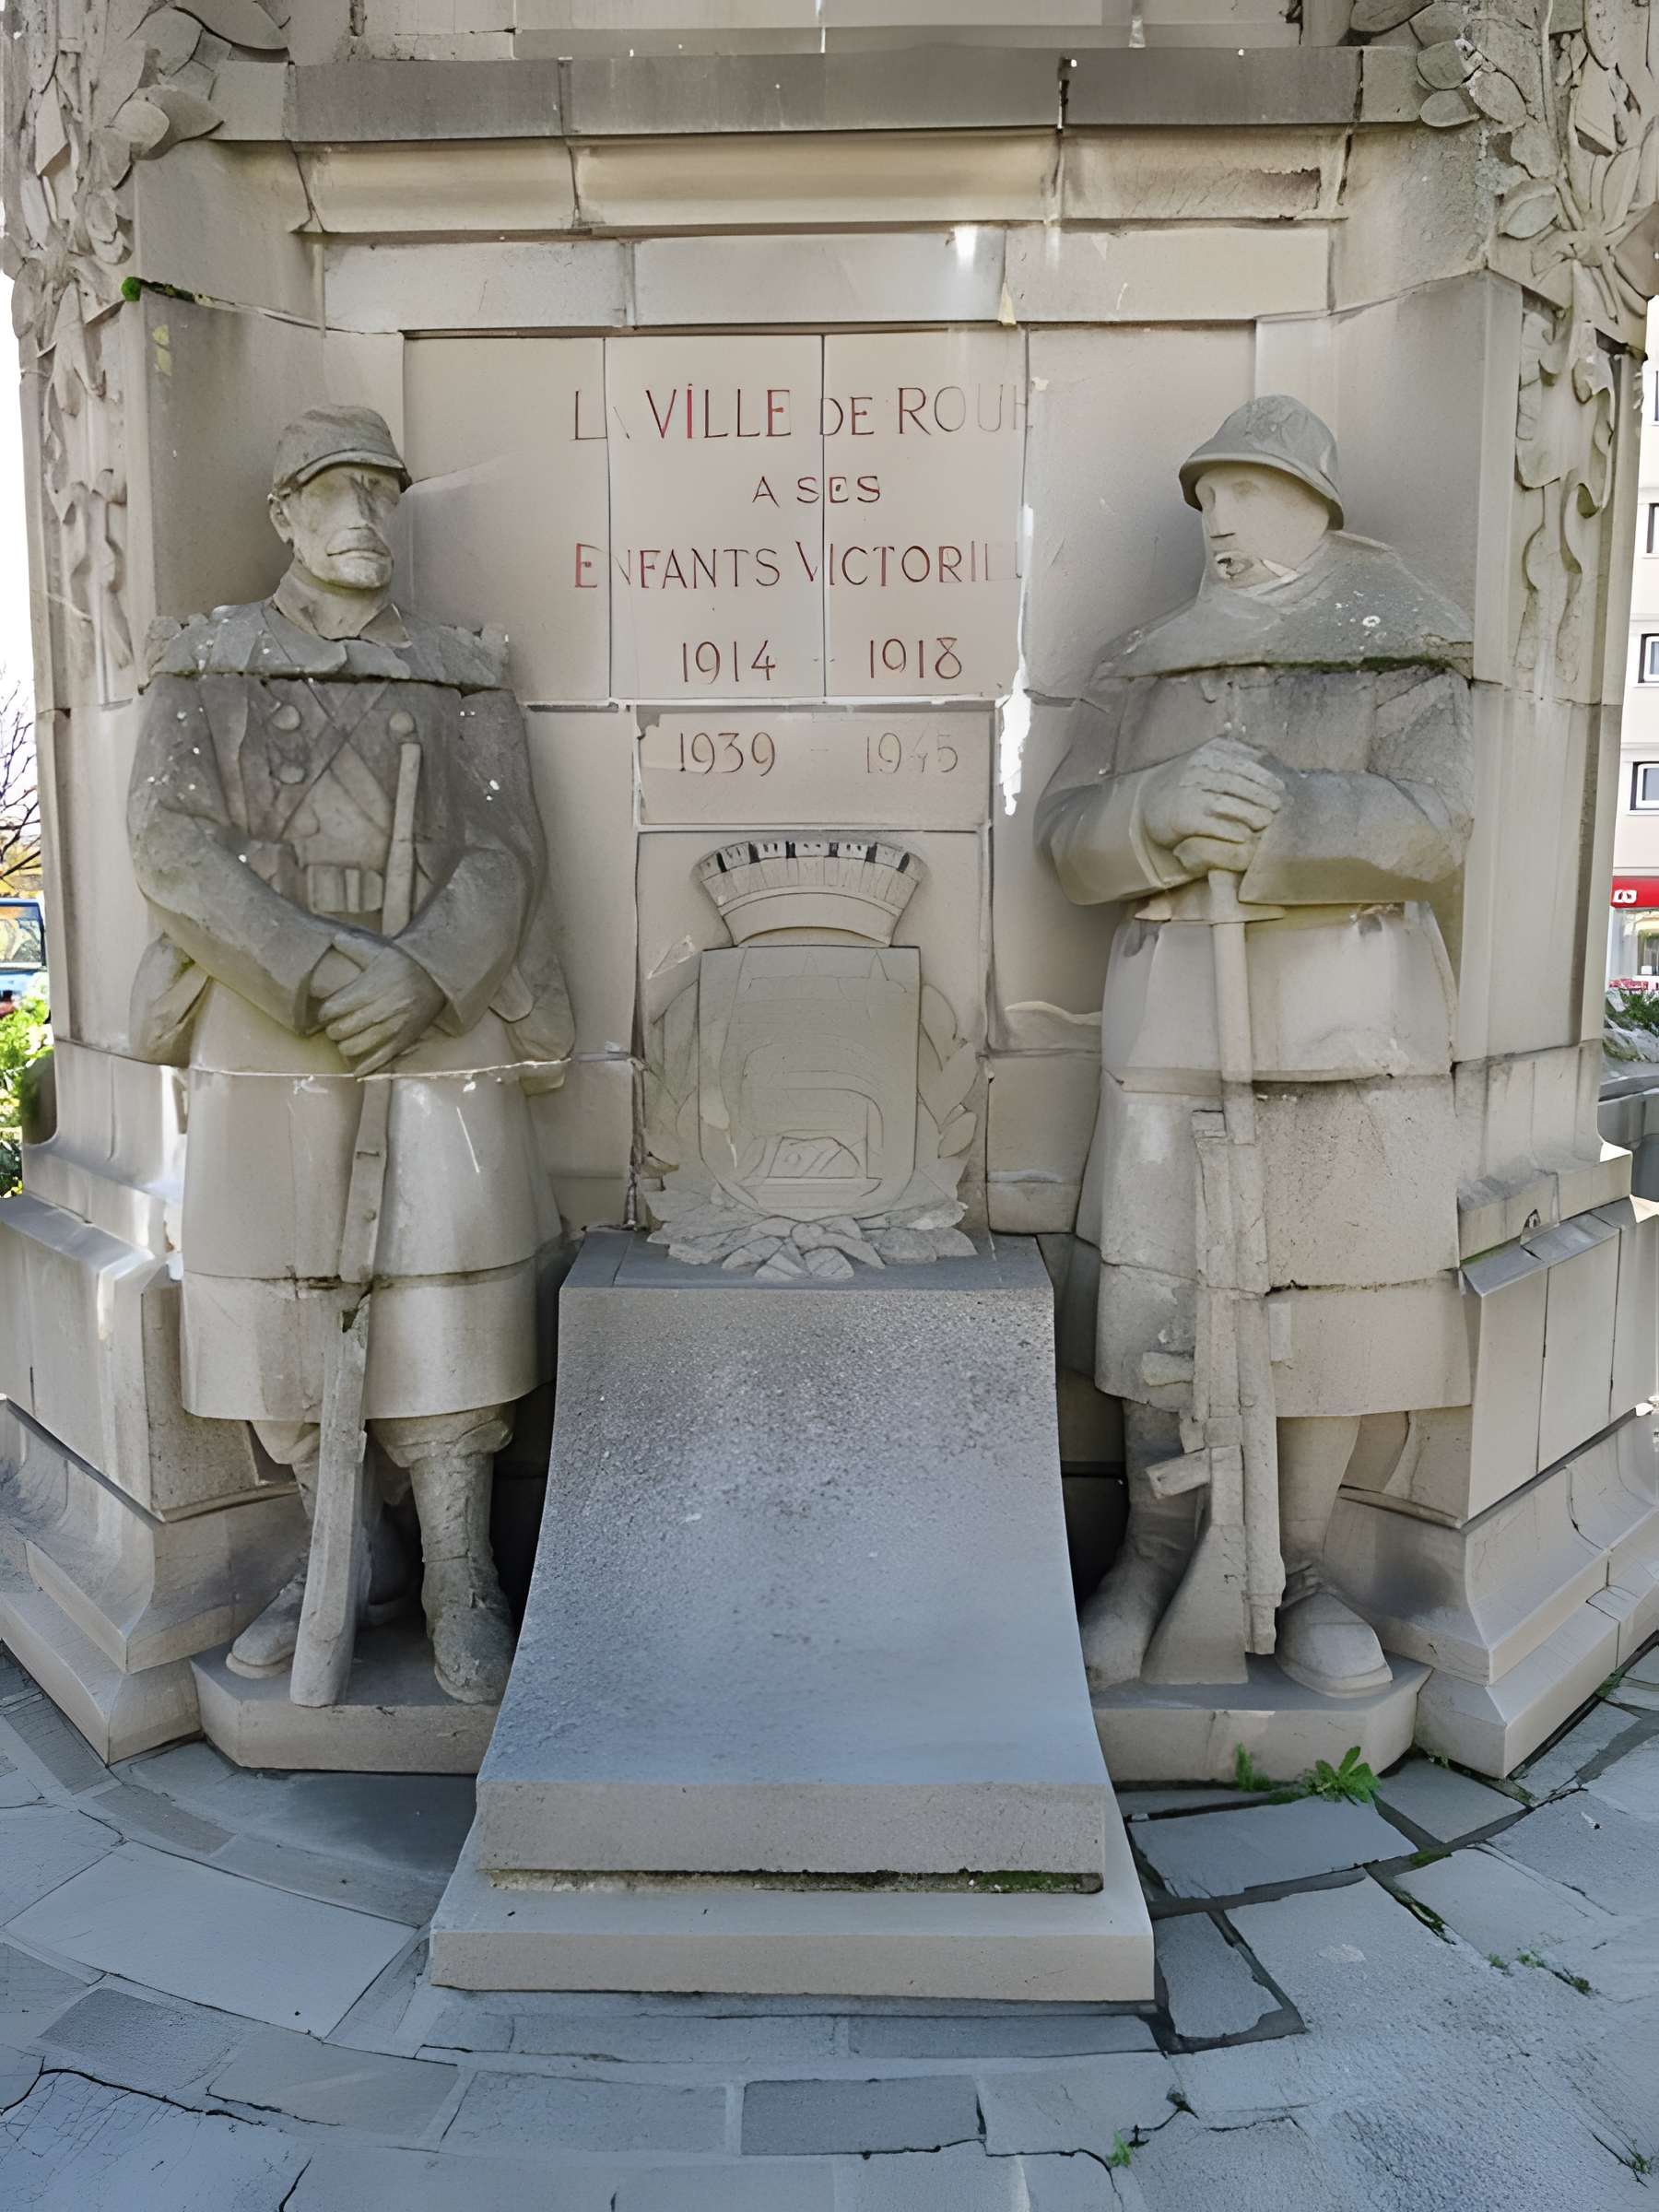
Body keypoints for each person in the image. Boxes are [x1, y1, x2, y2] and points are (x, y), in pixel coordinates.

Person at [127, 405, 571, 1703]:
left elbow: (507, 852)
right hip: (265, 1018)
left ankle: (455, 1571)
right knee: (277, 1298)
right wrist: (313, 965)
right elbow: (168, 843)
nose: (361, 518)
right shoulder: (205, 668)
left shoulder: (459, 668)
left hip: (434, 1019)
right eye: (331, 495)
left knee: (451, 1286)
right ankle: (338, 1552)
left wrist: (425, 973)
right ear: (283, 515)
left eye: (379, 493)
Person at [1038, 395, 1473, 1698]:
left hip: (1350, 1022)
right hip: (1178, 1018)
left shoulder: (1396, 643)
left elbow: (1435, 823)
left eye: (1245, 491)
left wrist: (1296, 815)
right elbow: (1065, 834)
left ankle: (1298, 1564)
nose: (1217, 520)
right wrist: (1157, 810)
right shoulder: (1145, 657)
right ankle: (1154, 1554)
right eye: (1207, 497)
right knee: (1166, 1285)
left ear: (1311, 501)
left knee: (1332, 1301)